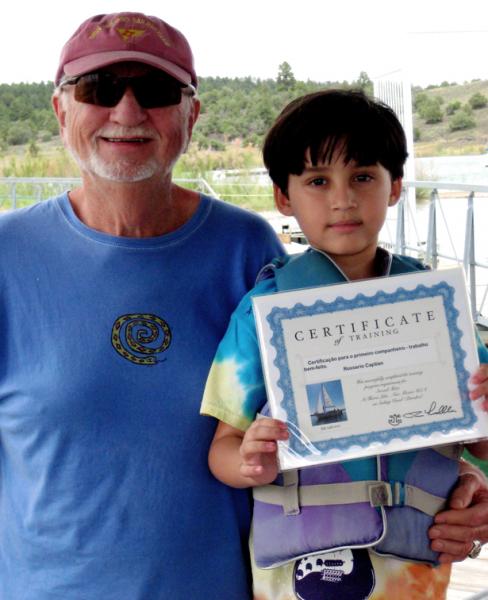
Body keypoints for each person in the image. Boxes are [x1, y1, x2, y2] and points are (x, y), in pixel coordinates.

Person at [0, 12, 285, 600]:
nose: (127, 113)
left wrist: (451, 475)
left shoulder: (248, 250)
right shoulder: (7, 256)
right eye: (99, 89)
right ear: (60, 111)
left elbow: (329, 413)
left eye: (155, 91)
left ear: (191, 114)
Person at [201, 89, 488, 599]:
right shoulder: (263, 310)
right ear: (283, 198)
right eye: (317, 181)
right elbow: (222, 448)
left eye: (362, 177)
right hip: (297, 576)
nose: (342, 199)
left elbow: (479, 440)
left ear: (394, 186)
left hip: (415, 574)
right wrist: (248, 462)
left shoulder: (439, 308)